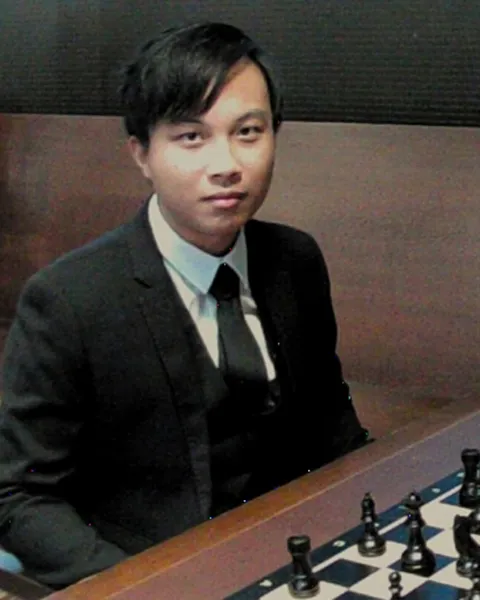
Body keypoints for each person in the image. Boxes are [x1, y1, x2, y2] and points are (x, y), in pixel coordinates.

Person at [0, 22, 368, 590]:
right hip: (153, 572)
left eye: (248, 131)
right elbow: (18, 494)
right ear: (142, 153)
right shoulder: (68, 300)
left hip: (295, 557)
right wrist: (141, 585)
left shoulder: (295, 261)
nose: (227, 164)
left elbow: (332, 425)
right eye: (191, 136)